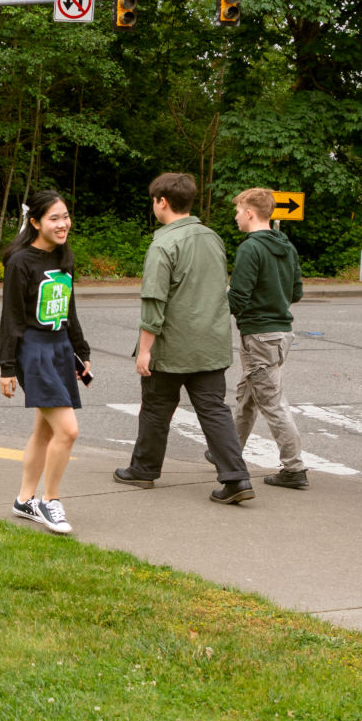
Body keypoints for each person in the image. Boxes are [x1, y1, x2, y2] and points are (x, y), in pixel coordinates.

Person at [112, 172, 254, 503]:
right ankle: (236, 478)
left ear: (162, 202)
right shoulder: (212, 237)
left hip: (172, 346)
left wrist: (144, 350)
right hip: (210, 343)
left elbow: (154, 302)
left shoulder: (163, 243)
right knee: (214, 410)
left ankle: (144, 470)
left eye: (154, 201)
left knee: (156, 407)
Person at [0, 190, 91, 535]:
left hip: (60, 347)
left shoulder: (64, 256)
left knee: (45, 430)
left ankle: (25, 500)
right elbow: (10, 317)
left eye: (65, 216)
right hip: (33, 350)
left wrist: (81, 351)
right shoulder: (21, 262)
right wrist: (6, 367)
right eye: (54, 218)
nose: (63, 224)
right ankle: (50, 502)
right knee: (68, 430)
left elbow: (68, 307)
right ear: (35, 222)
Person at [229, 187, 308, 489]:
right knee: (248, 395)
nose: (236, 216)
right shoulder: (285, 245)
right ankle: (229, 451)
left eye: (238, 211)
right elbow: (296, 292)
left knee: (271, 402)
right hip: (281, 333)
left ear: (250, 212)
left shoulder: (250, 248)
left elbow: (238, 296)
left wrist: (217, 307)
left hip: (258, 335)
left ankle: (294, 468)